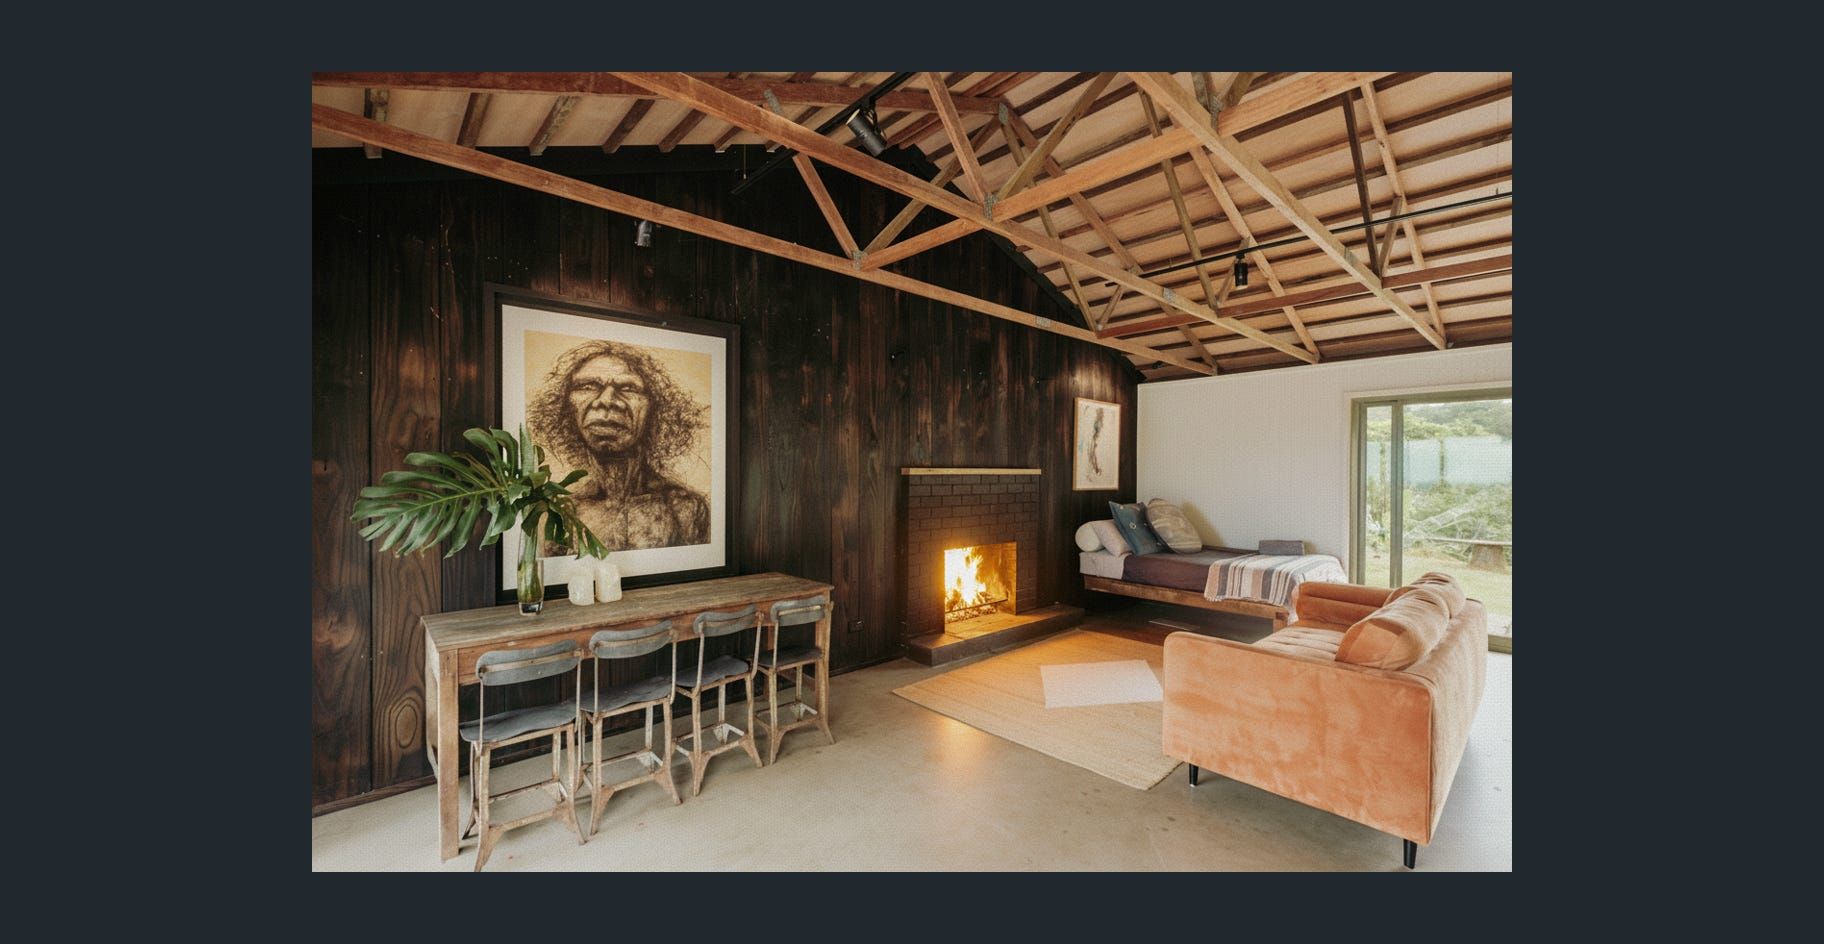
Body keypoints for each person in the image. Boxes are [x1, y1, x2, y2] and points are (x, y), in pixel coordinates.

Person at [526, 340, 710, 551]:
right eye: (588, 386)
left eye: (628, 388)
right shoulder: (559, 510)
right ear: (566, 407)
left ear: (654, 408)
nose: (607, 400)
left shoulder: (685, 507)